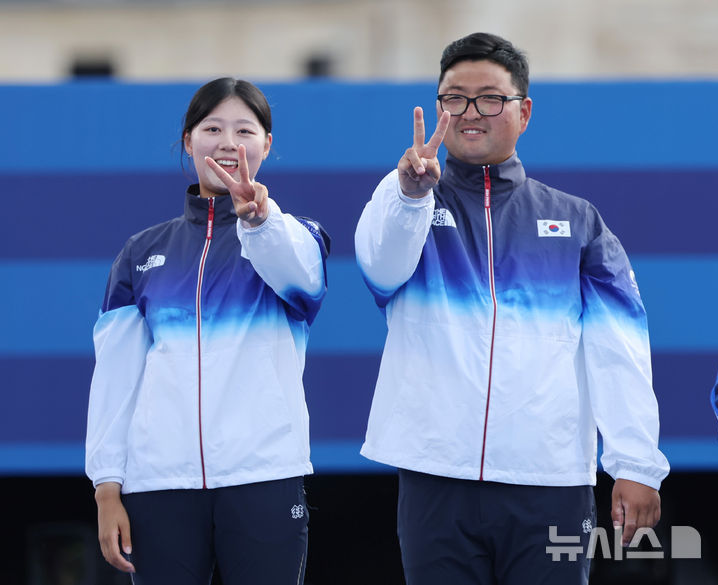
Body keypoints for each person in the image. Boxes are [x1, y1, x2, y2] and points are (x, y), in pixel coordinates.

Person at [354, 32, 669, 584]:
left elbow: (619, 348)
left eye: (490, 98)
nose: (471, 112)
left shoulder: (577, 222)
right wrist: (409, 196)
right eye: (455, 97)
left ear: (523, 111)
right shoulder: (405, 197)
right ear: (437, 109)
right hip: (435, 475)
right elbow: (380, 267)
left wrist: (635, 463)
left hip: (552, 481)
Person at [85, 77, 329, 585]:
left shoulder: (295, 237)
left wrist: (260, 221)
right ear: (187, 141)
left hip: (263, 477)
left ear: (267, 145)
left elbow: (301, 277)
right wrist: (107, 485)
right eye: (212, 127)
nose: (228, 142)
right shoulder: (140, 253)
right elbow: (115, 380)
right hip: (159, 484)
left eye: (245, 130)